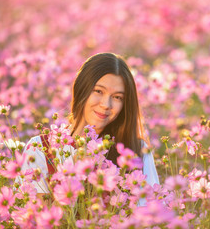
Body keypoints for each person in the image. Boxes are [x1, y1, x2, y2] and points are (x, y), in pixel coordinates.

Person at [16, 52, 159, 195]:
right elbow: (31, 211)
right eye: (98, 91)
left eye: (117, 97)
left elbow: (151, 210)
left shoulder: (136, 149)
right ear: (81, 88)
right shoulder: (40, 148)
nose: (106, 104)